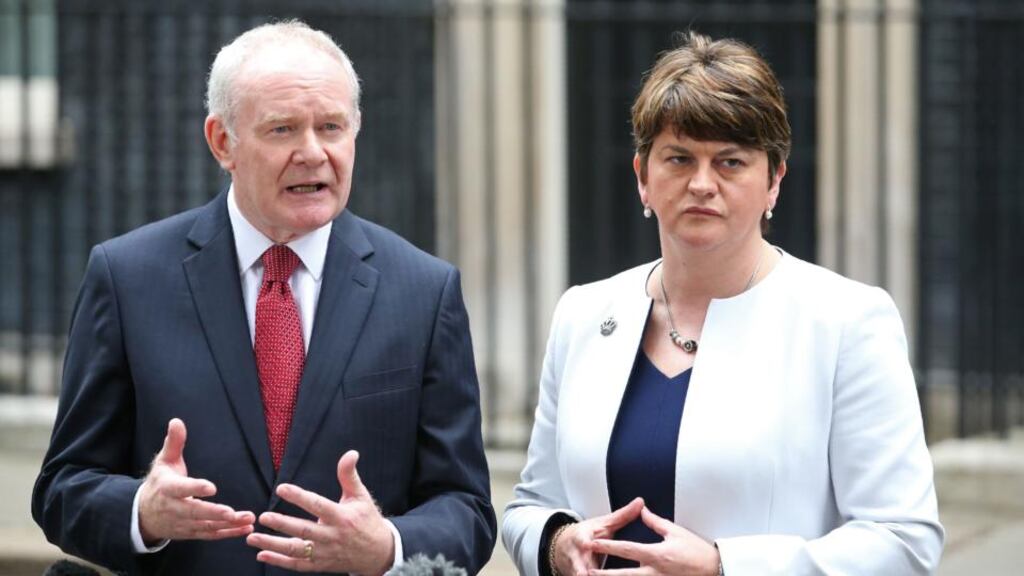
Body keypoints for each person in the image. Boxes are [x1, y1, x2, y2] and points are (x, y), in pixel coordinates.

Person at [32, 20, 495, 575]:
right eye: (282, 130)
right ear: (222, 141)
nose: (313, 152)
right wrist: (143, 511)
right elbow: (63, 489)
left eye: (331, 127)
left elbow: (466, 510)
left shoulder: (423, 290)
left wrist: (386, 547)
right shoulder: (128, 276)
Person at [502, 31, 943, 576]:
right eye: (679, 158)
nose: (702, 184)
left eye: (731, 162)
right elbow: (529, 505)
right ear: (642, 177)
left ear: (774, 181)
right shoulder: (583, 314)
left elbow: (904, 540)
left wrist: (721, 567)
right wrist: (558, 544)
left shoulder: (847, 322)